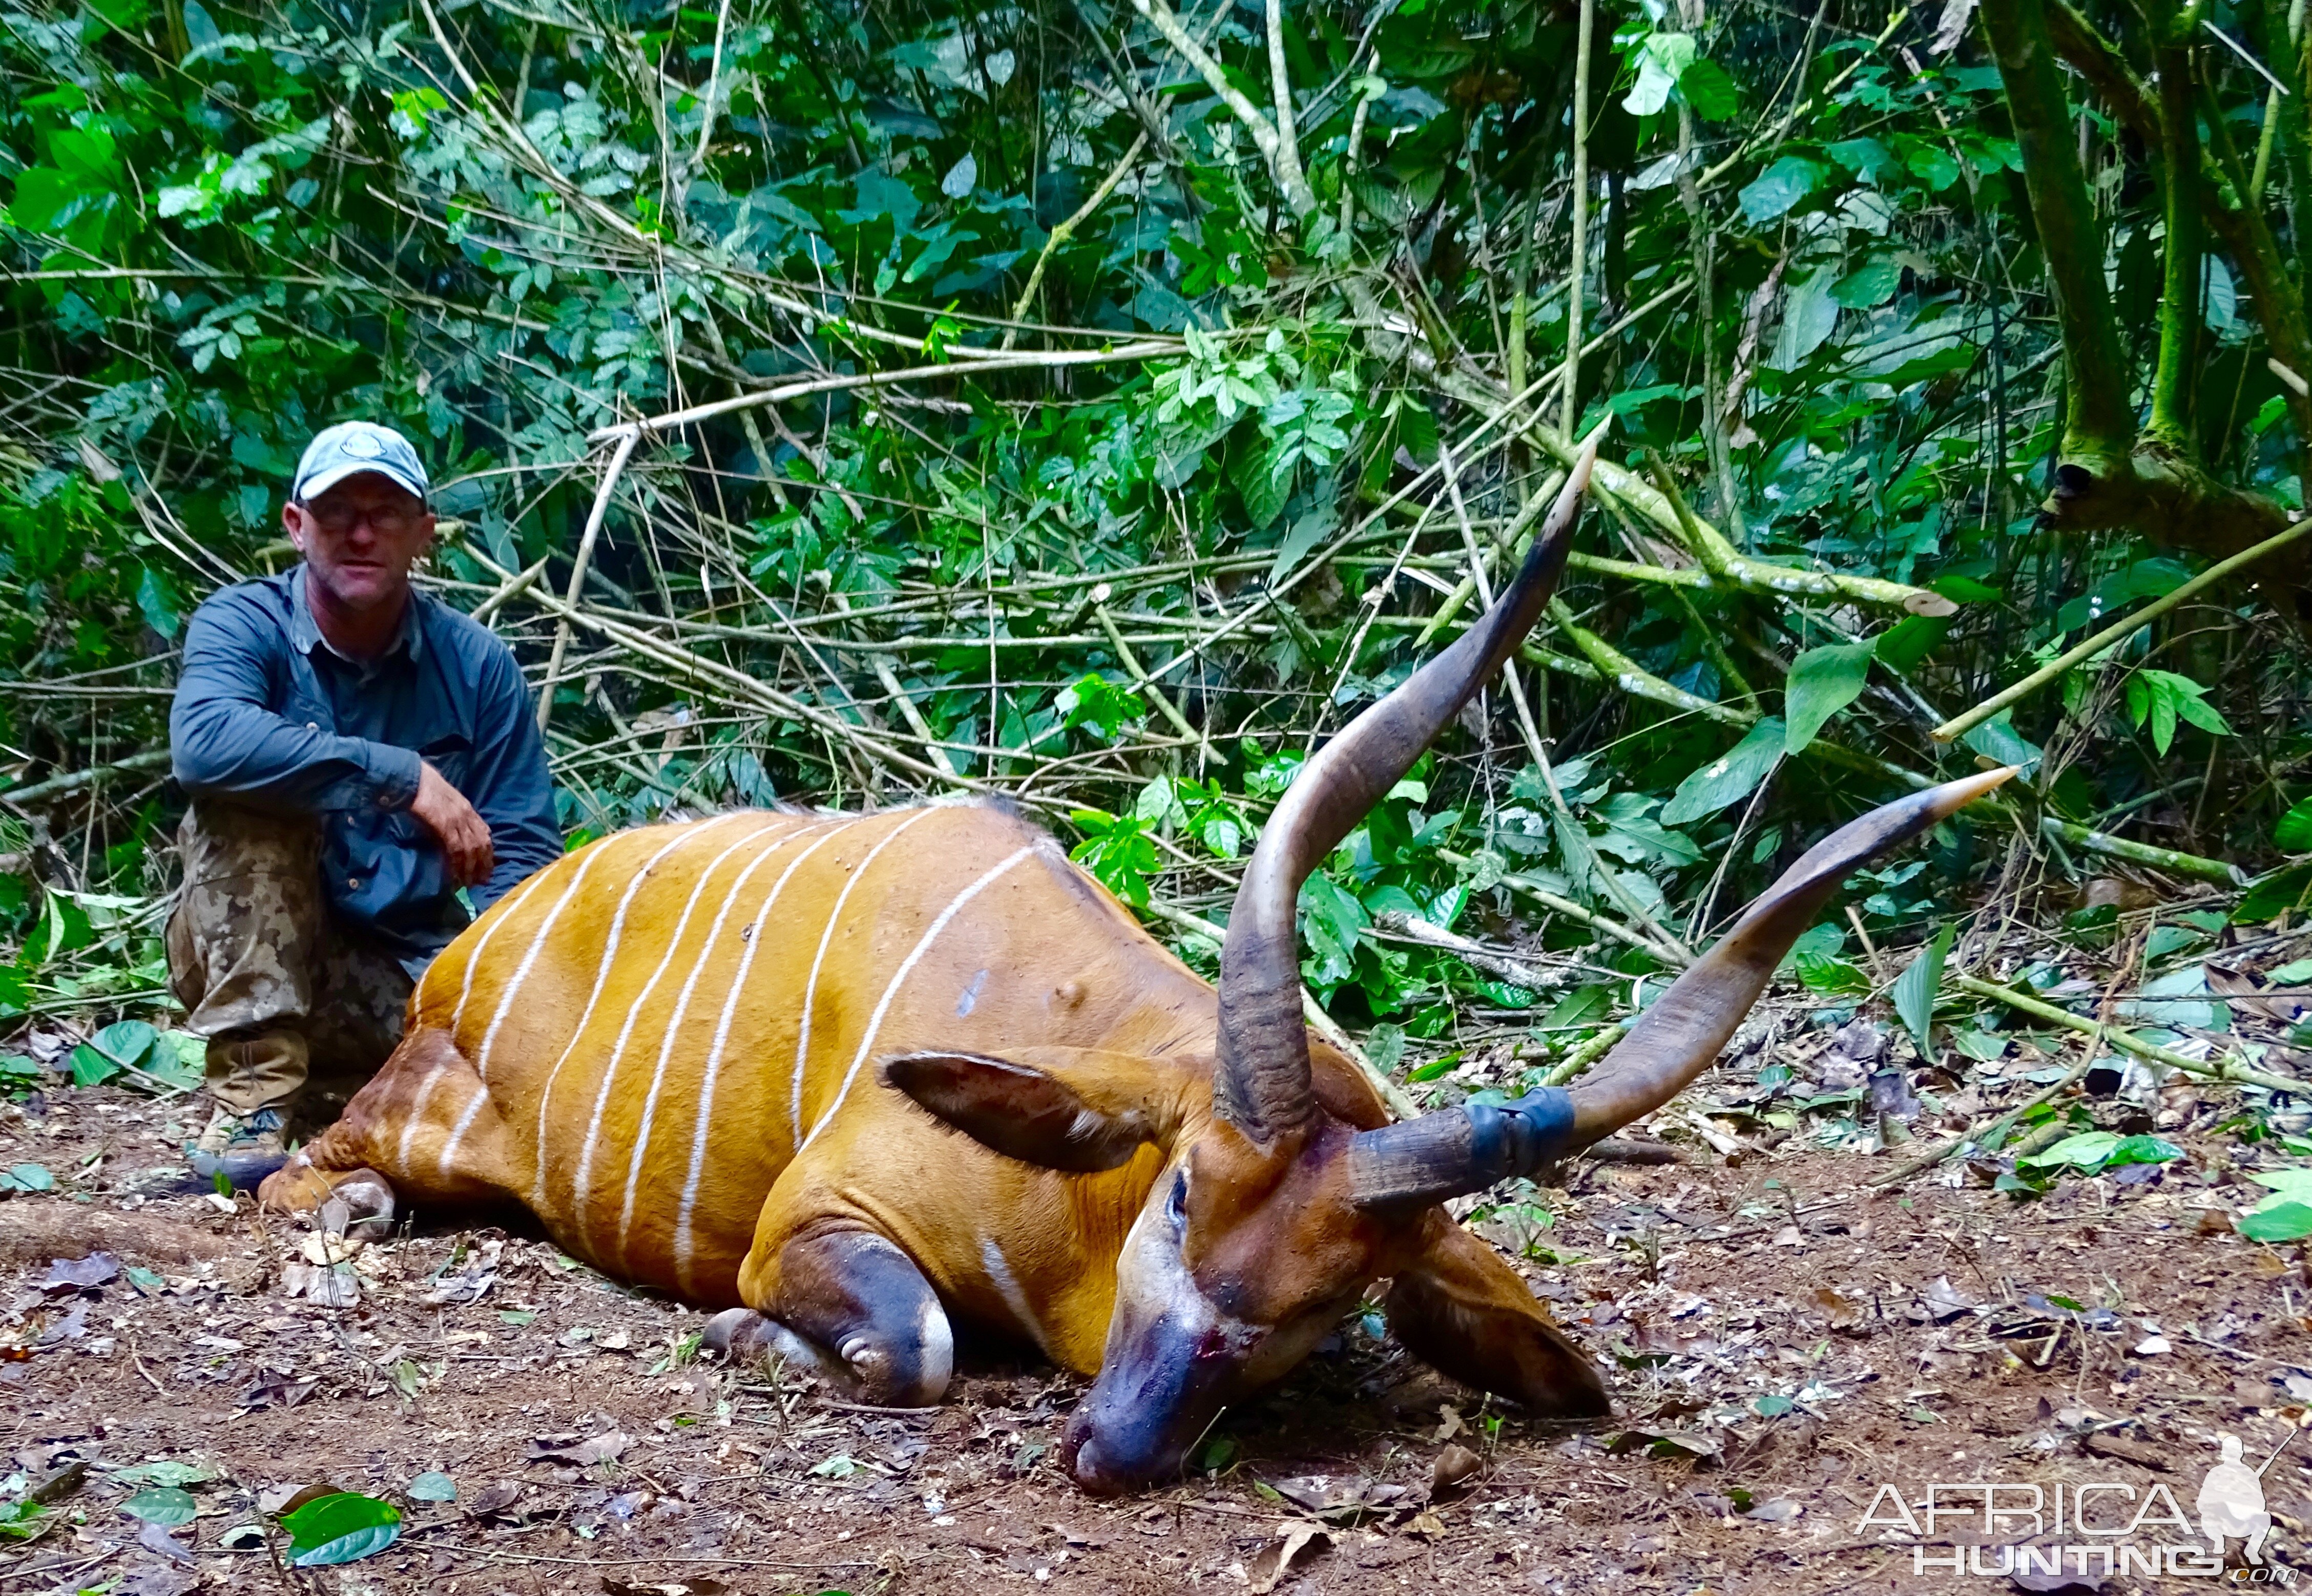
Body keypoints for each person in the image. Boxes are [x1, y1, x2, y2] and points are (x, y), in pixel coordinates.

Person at [167, 421, 561, 1176]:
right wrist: (403, 776)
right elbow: (205, 744)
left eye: (384, 513)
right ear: (296, 525)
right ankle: (253, 1102)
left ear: (424, 533)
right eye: (336, 511)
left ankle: (361, 1084)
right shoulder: (244, 623)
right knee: (244, 798)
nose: (359, 533)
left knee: (514, 1058)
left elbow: (524, 854)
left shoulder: (476, 664)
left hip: (401, 971)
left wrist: (512, 1007)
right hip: (247, 953)